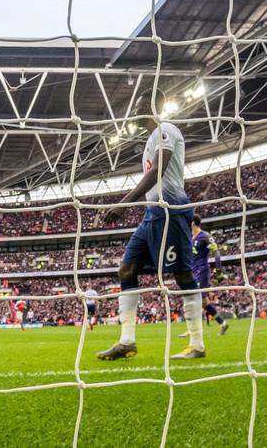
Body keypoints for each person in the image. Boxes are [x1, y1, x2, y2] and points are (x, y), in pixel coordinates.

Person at [96, 92, 205, 361]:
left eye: (140, 104)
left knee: (182, 275)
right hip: (151, 215)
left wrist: (123, 203)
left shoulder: (165, 130)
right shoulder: (150, 139)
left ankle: (197, 344)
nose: (136, 109)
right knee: (127, 269)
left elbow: (158, 169)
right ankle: (127, 342)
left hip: (171, 213)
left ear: (150, 104)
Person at [180, 214, 228, 338]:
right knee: (205, 302)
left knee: (196, 299)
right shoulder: (191, 239)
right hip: (194, 272)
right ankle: (223, 323)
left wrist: (219, 271)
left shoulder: (205, 236)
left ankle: (193, 330)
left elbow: (216, 253)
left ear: (192, 223)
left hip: (202, 271)